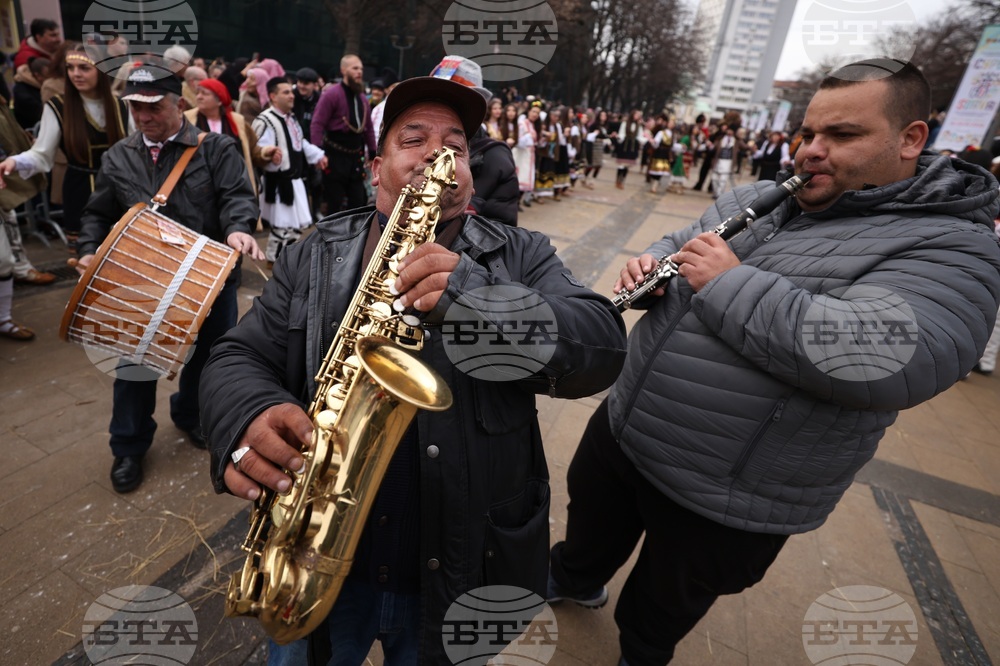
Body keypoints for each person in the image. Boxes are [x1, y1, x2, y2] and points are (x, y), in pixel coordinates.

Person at [547, 58, 1000, 666]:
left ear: (911, 139)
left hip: (729, 490)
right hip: (628, 429)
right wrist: (651, 263)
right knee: (589, 530)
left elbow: (894, 358)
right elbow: (686, 240)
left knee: (667, 597)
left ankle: (642, 651)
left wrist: (728, 285)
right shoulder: (766, 195)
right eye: (808, 133)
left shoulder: (953, 245)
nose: (811, 151)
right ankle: (577, 578)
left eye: (842, 136)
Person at [200, 75, 628, 665]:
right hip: (313, 557)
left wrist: (479, 297)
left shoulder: (520, 255)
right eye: (414, 138)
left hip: (461, 573)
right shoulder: (313, 250)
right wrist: (246, 414)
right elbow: (236, 355)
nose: (437, 153)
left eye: (455, 144)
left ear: (469, 177)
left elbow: (602, 346)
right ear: (376, 168)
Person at [75, 64, 264, 494]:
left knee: (210, 357)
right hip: (145, 282)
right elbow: (97, 213)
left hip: (210, 277)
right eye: (136, 109)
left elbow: (237, 197)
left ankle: (191, 415)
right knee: (133, 366)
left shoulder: (215, 148)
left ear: (179, 104)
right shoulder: (119, 155)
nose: (144, 118)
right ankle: (128, 446)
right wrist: (87, 251)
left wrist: (238, 227)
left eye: (154, 108)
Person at [0, 43, 128, 250]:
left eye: (84, 68)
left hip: (119, 191)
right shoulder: (58, 106)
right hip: (80, 193)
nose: (75, 74)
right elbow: (41, 154)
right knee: (86, 260)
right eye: (70, 68)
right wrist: (14, 161)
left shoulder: (121, 105)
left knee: (124, 259)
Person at [252, 76, 328, 262]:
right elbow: (254, 148)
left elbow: (299, 143)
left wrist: (318, 155)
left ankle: (280, 259)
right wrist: (268, 152)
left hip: (294, 180)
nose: (291, 96)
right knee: (282, 227)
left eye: (291, 92)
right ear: (273, 96)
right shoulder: (265, 120)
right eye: (285, 92)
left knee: (295, 228)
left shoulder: (292, 119)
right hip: (277, 182)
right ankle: (274, 260)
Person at [185, 77, 276, 200]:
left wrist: (266, 152)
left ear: (219, 100)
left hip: (233, 187)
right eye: (198, 93)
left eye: (205, 94)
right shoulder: (187, 119)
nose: (199, 97)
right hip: (197, 189)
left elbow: (252, 151)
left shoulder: (237, 121)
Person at [310, 54, 376, 214]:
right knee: (334, 202)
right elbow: (317, 124)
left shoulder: (362, 98)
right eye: (355, 68)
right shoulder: (331, 94)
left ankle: (355, 238)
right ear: (343, 70)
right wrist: (317, 153)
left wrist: (373, 153)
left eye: (360, 68)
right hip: (334, 155)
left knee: (358, 201)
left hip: (355, 156)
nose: (359, 72)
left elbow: (368, 128)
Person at [13, 56, 49, 130]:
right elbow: (40, 114)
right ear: (37, 76)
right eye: (47, 76)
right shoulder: (22, 93)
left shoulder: (36, 86)